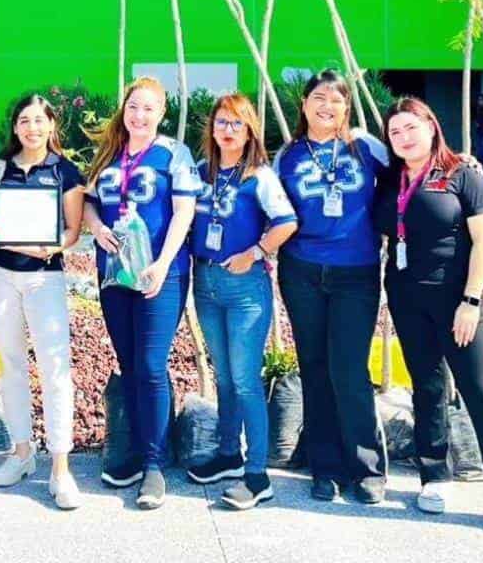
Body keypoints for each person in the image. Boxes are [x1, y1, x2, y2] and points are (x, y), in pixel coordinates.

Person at [374, 97, 483, 541]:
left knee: (481, 395)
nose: (404, 137)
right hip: (407, 299)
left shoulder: (462, 174)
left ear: (431, 125)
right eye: (395, 132)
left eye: (411, 127)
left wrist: (471, 300)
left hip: (456, 302)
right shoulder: (390, 178)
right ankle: (434, 476)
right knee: (427, 389)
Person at [83, 77, 201, 510]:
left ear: (162, 113)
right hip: (115, 273)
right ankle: (138, 450)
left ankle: (154, 465)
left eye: (149, 108)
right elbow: (90, 201)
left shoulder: (174, 154)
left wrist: (163, 263)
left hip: (158, 273)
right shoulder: (110, 154)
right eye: (133, 106)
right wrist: (95, 228)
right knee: (130, 363)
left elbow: (184, 211)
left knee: (152, 365)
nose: (139, 115)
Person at [272, 69, 389, 504]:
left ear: (347, 106)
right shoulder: (288, 155)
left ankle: (365, 467)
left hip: (355, 274)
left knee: (350, 369)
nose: (326, 106)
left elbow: (413, 168)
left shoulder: (366, 146)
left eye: (336, 99)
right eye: (318, 98)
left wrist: (460, 164)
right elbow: (268, 204)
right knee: (314, 367)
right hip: (301, 271)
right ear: (304, 105)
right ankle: (325, 467)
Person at [186, 93, 296, 510]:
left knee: (247, 380)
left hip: (245, 286)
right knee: (225, 378)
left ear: (249, 130)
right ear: (211, 129)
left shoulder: (259, 176)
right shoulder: (200, 173)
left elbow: (287, 222)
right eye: (220, 122)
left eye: (236, 123)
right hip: (206, 282)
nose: (227, 130)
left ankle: (257, 475)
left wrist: (254, 252)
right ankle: (229, 455)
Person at [0, 94, 85, 509]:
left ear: (51, 125)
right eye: (24, 120)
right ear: (16, 126)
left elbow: (72, 230)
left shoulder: (65, 170)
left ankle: (60, 468)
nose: (32, 128)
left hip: (44, 277)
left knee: (54, 367)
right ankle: (22, 452)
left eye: (39, 120)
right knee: (10, 364)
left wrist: (50, 246)